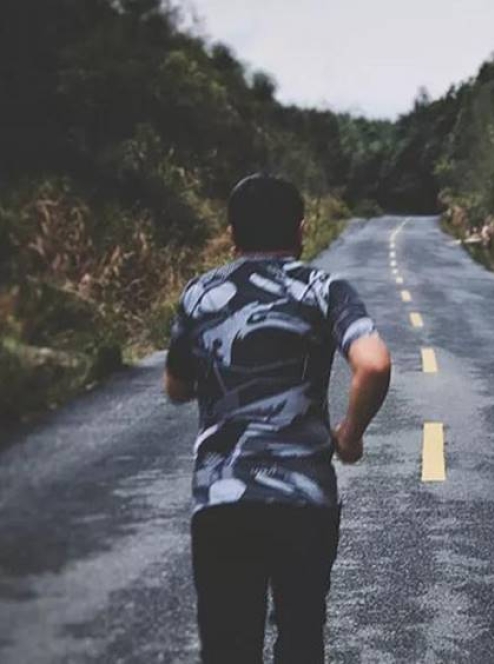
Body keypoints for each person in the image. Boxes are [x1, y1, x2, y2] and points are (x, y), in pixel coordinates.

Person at [164, 173, 391, 663]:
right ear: (301, 228)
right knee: (301, 638)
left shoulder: (200, 294)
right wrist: (350, 436)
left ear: (231, 233)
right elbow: (373, 363)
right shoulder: (323, 289)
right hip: (304, 499)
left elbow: (177, 387)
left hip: (222, 498)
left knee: (228, 647)